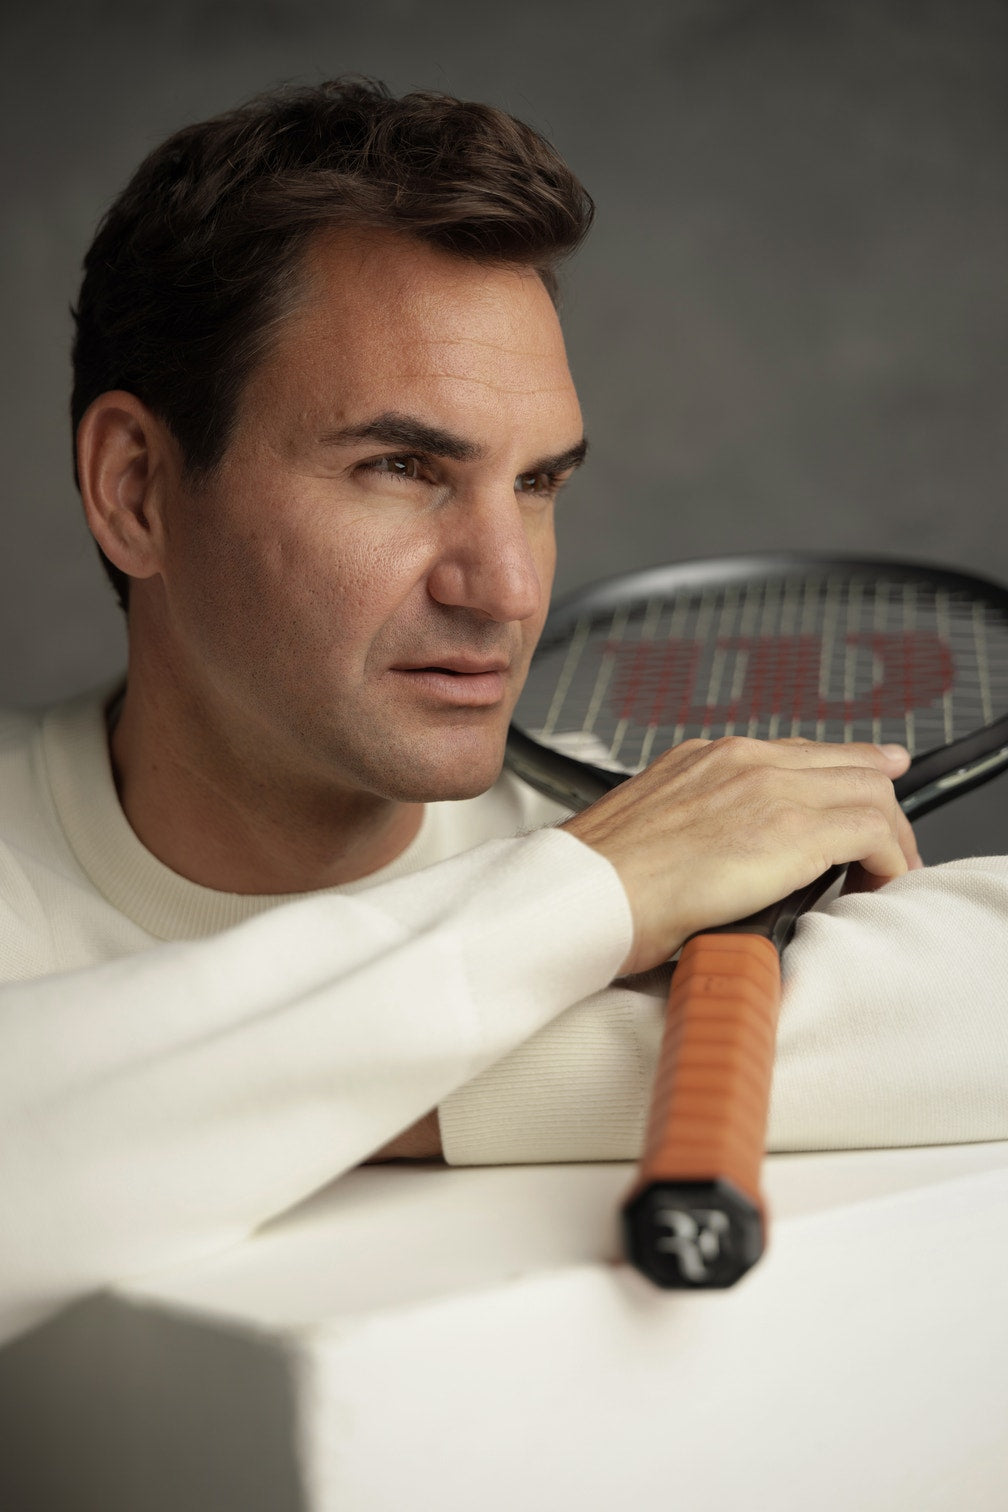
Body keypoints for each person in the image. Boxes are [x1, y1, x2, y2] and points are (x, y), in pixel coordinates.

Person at [1, 79, 1005, 1348]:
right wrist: (586, 897)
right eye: (401, 469)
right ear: (137, 489)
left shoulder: (643, 821)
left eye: (536, 484)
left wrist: (326, 1096)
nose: (509, 589)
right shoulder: (624, 861)